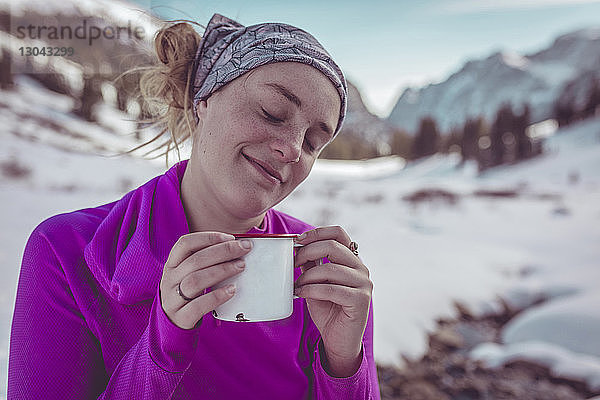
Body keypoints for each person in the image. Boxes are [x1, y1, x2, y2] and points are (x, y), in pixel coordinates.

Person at [8, 13, 379, 399]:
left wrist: (344, 364)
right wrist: (162, 349)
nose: (290, 149)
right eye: (272, 112)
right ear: (204, 101)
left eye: (312, 143)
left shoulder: (320, 273)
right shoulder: (68, 251)